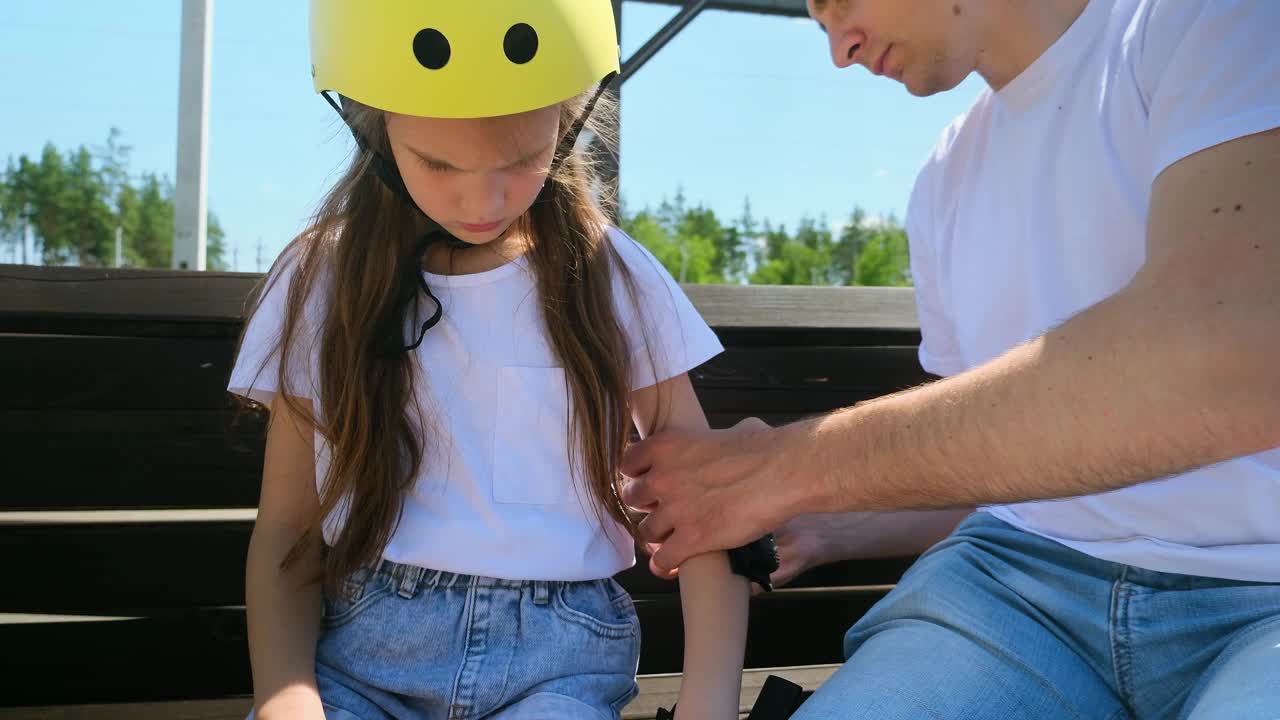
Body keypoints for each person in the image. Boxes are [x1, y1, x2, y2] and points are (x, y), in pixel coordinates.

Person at [620, 0, 1280, 717]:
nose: (838, 49)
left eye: (838, 2)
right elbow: (988, 475)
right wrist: (821, 520)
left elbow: (1230, 355)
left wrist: (782, 467)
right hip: (1019, 592)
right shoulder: (944, 177)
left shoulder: (1215, 22)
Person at [229, 2, 749, 718]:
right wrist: (288, 699)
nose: (484, 198)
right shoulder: (320, 278)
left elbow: (705, 509)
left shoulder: (609, 277)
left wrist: (707, 704)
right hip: (363, 665)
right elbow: (287, 528)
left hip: (558, 671)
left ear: (569, 123)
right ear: (367, 123)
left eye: (523, 160)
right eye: (438, 163)